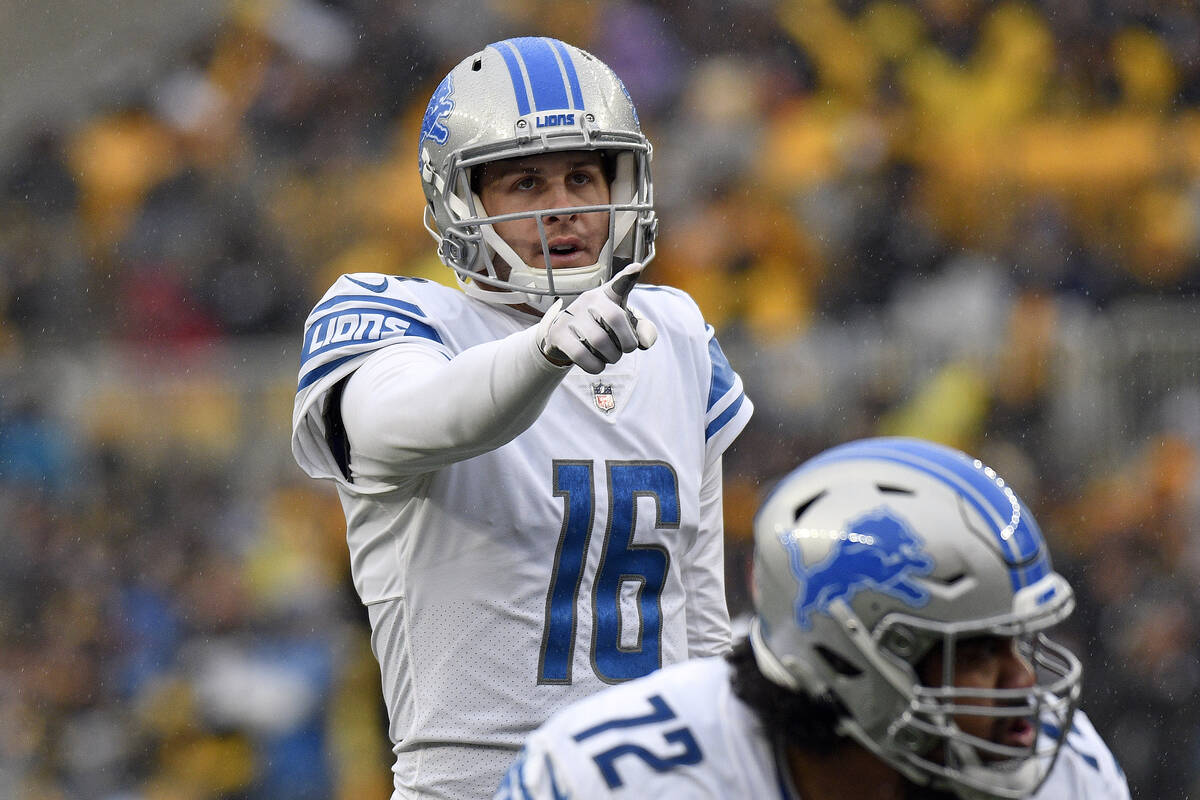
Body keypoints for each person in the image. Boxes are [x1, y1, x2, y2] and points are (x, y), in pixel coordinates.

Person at [290, 36, 753, 799]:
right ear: (461, 199)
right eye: (526, 183)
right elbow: (404, 421)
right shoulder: (398, 315)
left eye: (582, 174)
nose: (566, 206)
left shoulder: (673, 333)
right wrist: (540, 352)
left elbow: (698, 623)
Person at [497, 437, 1130, 799]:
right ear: (851, 659)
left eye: (1018, 645)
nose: (1023, 683)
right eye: (981, 652)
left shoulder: (1063, 772)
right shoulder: (615, 780)